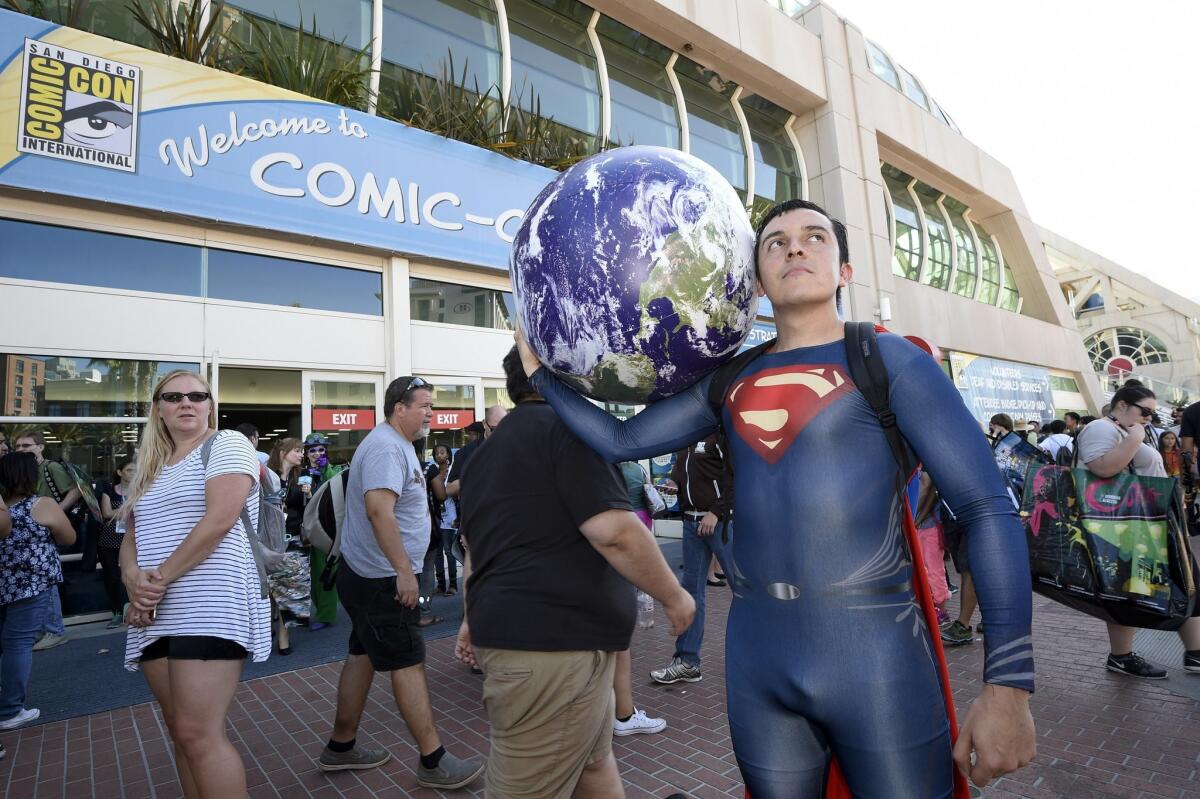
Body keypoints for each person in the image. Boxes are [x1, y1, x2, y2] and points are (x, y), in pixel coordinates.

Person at [518, 198, 1036, 795]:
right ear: (758, 282)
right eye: (775, 242)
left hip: (877, 655)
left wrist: (1009, 684)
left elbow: (986, 509)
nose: (795, 247)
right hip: (759, 656)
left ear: (844, 270)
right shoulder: (728, 379)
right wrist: (538, 375)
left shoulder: (890, 361)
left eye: (815, 237)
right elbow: (621, 439)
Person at [453, 348, 693, 798]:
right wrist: (674, 595)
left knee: (593, 766)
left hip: (539, 646)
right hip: (554, 651)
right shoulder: (566, 431)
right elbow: (614, 531)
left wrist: (471, 618)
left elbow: (479, 551)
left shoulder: (487, 454)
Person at [316, 376, 483, 789]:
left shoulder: (396, 445)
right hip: (382, 579)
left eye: (431, 405)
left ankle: (341, 747)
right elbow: (379, 512)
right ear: (399, 408)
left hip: (369, 575)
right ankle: (434, 761)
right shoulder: (387, 447)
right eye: (424, 405)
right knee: (408, 661)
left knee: (363, 654)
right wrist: (405, 572)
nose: (430, 412)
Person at [120, 369, 269, 797]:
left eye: (197, 395)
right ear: (158, 409)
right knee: (181, 734)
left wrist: (157, 580)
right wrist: (133, 579)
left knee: (198, 733)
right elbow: (132, 535)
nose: (186, 402)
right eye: (173, 396)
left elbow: (219, 520)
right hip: (154, 610)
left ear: (210, 405)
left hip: (211, 604)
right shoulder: (149, 465)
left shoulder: (226, 444)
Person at [1075, 384, 1200, 678]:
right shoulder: (1100, 429)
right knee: (1130, 589)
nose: (1149, 418)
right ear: (1121, 404)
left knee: (1184, 580)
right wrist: (1135, 437)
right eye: (1145, 411)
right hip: (1126, 524)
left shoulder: (1126, 429)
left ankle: (1193, 652)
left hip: (1149, 521)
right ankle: (1122, 656)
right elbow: (1102, 469)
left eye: (1153, 414)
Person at [0, 452, 75, 730]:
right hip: (33, 585)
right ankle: (9, 709)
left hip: (4, 584)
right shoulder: (41, 505)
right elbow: (69, 537)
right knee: (18, 644)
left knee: (6, 643)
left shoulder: (3, 508)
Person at [649, 433, 730, 685]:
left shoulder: (721, 434)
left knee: (745, 591)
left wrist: (716, 512)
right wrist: (673, 484)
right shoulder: (686, 439)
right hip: (690, 522)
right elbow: (681, 473)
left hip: (721, 523)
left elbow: (735, 477)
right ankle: (687, 662)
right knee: (692, 593)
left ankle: (766, 662)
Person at [613, 460, 668, 737]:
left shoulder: (605, 467)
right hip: (639, 519)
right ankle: (623, 714)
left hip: (620, 522)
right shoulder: (637, 468)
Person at [11, 429, 78, 652]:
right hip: (35, 529)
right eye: (18, 446)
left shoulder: (51, 468)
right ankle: (43, 628)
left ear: (40, 447)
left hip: (49, 527)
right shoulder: (22, 470)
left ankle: (54, 630)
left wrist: (55, 512)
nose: (21, 449)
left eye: (27, 445)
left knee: (46, 577)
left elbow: (74, 491)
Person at [287, 433, 339, 630]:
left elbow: (335, 487)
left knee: (325, 571)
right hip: (304, 527)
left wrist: (324, 469)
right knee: (306, 574)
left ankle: (326, 615)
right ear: (306, 453)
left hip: (326, 528)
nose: (317, 453)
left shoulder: (332, 470)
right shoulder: (300, 473)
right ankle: (312, 610)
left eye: (321, 449)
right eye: (313, 450)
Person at [267, 437, 304, 655]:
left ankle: (283, 634)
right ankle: (270, 623)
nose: (301, 454)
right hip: (271, 541)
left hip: (294, 538)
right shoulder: (267, 478)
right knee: (273, 588)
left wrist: (308, 495)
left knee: (289, 588)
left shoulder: (300, 479)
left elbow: (303, 508)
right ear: (283, 453)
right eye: (297, 450)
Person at [98, 458, 135, 629]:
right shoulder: (109, 489)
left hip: (131, 539)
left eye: (136, 470)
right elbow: (106, 513)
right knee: (112, 576)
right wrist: (127, 510)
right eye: (129, 470)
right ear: (120, 472)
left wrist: (119, 512)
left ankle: (132, 609)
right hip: (109, 539)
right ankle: (116, 612)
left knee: (129, 576)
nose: (133, 473)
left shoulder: (140, 489)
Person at [445, 405, 508, 500]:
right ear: (484, 424)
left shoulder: (515, 448)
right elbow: (449, 489)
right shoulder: (466, 452)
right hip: (479, 511)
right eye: (494, 429)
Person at [914, 470, 950, 626]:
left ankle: (941, 611)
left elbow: (929, 486)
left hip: (929, 526)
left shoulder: (926, 466)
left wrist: (915, 517)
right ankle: (937, 608)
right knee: (929, 569)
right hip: (925, 525)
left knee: (934, 570)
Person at [425, 444, 458, 596]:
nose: (439, 455)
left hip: (451, 518)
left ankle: (453, 584)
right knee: (437, 553)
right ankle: (440, 584)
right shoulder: (433, 472)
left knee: (449, 551)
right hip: (437, 517)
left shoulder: (453, 472)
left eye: (442, 452)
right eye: (436, 453)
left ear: (448, 455)